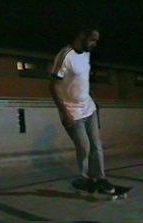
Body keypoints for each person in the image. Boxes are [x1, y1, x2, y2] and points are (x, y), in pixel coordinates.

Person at [49, 25, 115, 194]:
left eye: (96, 41)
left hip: (89, 109)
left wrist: (92, 97)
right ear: (81, 36)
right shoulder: (65, 55)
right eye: (92, 40)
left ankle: (100, 178)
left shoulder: (87, 54)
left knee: (96, 146)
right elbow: (54, 86)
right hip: (72, 112)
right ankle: (86, 179)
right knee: (84, 146)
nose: (94, 44)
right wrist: (65, 113)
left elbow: (82, 80)